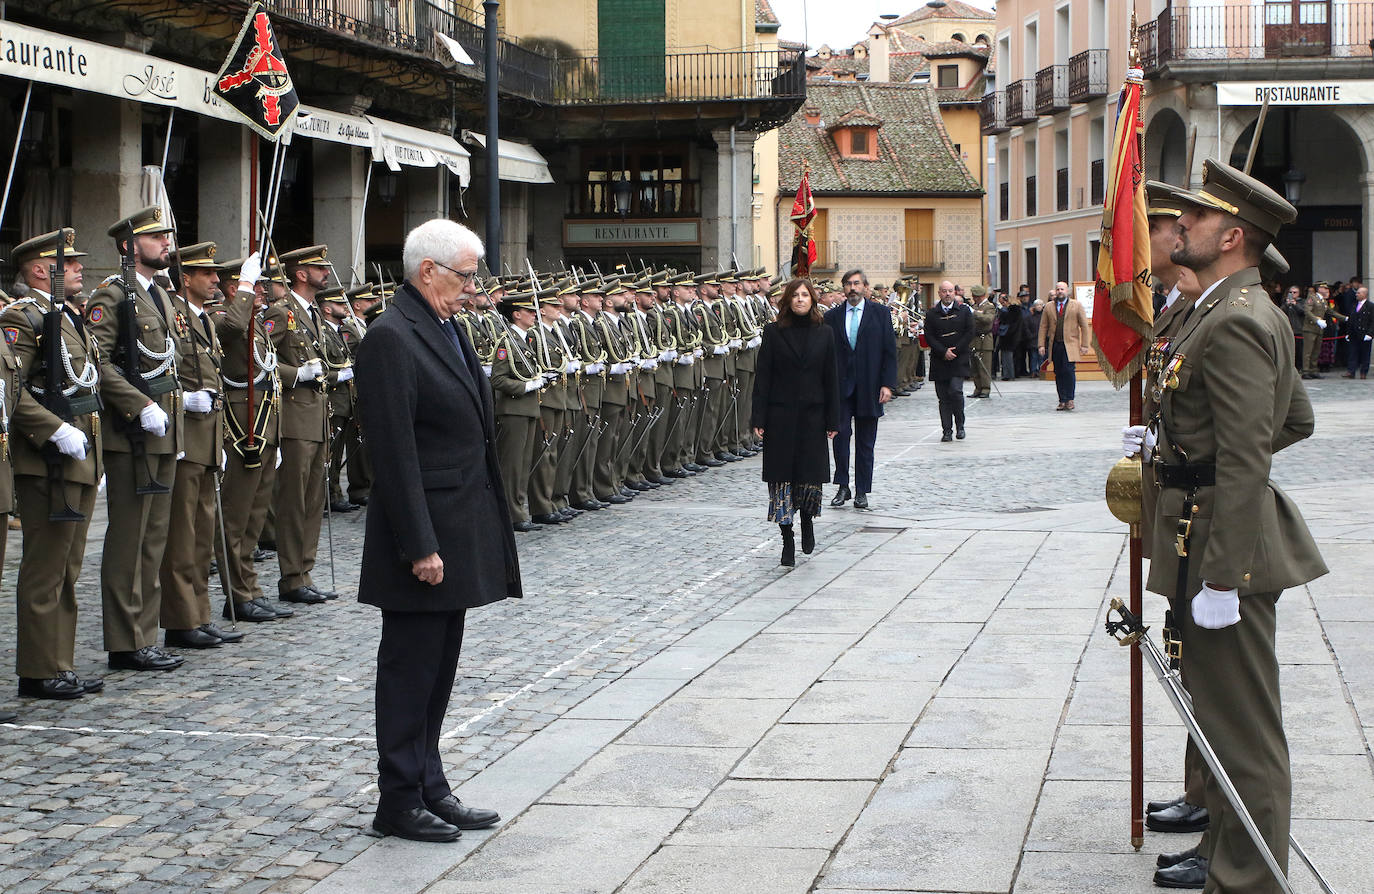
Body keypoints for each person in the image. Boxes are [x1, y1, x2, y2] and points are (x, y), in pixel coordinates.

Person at [1146, 159, 1327, 894]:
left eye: (1196, 216)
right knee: (1220, 719)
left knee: (1243, 730)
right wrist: (1185, 454)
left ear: (1233, 235)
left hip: (1227, 545)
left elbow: (1256, 446)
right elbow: (1280, 423)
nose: (1179, 224)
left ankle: (1248, 879)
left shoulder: (1240, 319)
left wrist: (1222, 572)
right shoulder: (1222, 309)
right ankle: (1229, 855)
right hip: (1205, 523)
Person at [354, 218, 516, 843]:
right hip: (421, 538)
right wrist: (419, 544)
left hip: (456, 526)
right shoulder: (393, 337)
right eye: (466, 276)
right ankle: (397, 797)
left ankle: (430, 783)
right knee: (409, 669)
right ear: (429, 272)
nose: (474, 288)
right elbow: (393, 455)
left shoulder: (444, 325)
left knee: (439, 667)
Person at [4, 229, 104, 699]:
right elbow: (12, 389)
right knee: (46, 567)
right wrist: (54, 430)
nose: (81, 269)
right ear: (42, 270)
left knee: (68, 567)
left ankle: (58, 662)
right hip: (47, 460)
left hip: (77, 458)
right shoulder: (23, 320)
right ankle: (38, 669)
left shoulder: (66, 318)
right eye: (71, 262)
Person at [87, 207, 186, 672]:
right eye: (155, 236)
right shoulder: (111, 296)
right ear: (128, 245)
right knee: (129, 538)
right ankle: (126, 641)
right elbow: (96, 364)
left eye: (166, 235)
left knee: (153, 538)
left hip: (162, 431)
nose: (166, 242)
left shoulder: (160, 296)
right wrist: (138, 406)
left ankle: (145, 634)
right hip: (132, 433)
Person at [159, 241, 241, 649]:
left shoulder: (204, 320)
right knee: (181, 534)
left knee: (201, 533)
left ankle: (200, 613)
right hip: (185, 436)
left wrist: (220, 437)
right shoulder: (172, 317)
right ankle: (180, 619)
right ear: (185, 278)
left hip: (207, 438)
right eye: (207, 274)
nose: (215, 281)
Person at [266, 245, 338, 605]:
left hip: (317, 415)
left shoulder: (312, 313)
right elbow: (258, 358)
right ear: (300, 274)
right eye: (318, 268)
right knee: (293, 501)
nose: (326, 273)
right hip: (294, 417)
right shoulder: (281, 313)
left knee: (313, 499)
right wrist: (295, 374)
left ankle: (304, 572)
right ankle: (291, 577)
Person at [752, 279, 839, 566]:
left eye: (805, 295)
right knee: (782, 481)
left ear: (813, 300)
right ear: (787, 300)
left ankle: (807, 520)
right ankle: (786, 537)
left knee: (809, 479)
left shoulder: (825, 333)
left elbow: (831, 379)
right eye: (796, 295)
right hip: (781, 417)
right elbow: (763, 376)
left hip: (813, 416)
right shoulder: (774, 332)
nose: (800, 300)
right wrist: (759, 416)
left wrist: (832, 418)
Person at [825, 269, 896, 511]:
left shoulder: (880, 314)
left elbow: (889, 351)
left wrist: (887, 384)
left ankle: (862, 490)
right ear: (843, 288)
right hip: (840, 388)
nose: (852, 288)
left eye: (856, 283)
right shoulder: (832, 317)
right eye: (848, 284)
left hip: (870, 387)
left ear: (865, 287)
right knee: (840, 438)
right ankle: (842, 485)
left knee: (866, 443)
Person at [924, 280, 974, 441]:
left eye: (950, 291)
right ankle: (947, 430)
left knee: (955, 391)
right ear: (939, 293)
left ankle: (960, 425)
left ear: (955, 293)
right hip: (940, 360)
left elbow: (970, 332)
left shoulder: (964, 311)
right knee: (943, 397)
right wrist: (943, 351)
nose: (947, 294)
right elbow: (929, 336)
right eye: (944, 291)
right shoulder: (932, 314)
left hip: (958, 359)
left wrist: (955, 350)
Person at [1037, 281, 1091, 410]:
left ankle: (1070, 399)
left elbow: (1084, 326)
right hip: (1055, 345)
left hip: (1070, 344)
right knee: (1058, 372)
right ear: (1055, 291)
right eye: (1058, 289)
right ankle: (1062, 399)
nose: (1060, 291)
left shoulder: (1076, 305)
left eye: (1062, 289)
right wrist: (1041, 345)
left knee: (1068, 371)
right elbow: (1043, 326)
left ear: (1067, 291)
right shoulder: (1049, 306)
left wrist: (1084, 344)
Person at [969, 284, 996, 398]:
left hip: (985, 340)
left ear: (981, 296)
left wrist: (974, 313)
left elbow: (988, 319)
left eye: (976, 296)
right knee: (974, 367)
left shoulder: (989, 307)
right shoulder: (975, 306)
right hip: (974, 339)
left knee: (984, 366)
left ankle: (985, 388)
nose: (974, 298)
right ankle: (978, 388)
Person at [1344, 286, 1373, 378]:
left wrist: (1370, 334)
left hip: (1365, 333)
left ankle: (1363, 372)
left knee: (1365, 354)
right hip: (1354, 333)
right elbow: (1351, 320)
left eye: (1359, 293)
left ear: (1364, 294)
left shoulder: (1371, 306)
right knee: (1352, 353)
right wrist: (1348, 333)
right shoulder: (1354, 305)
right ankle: (1351, 371)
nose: (1356, 294)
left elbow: (1373, 321)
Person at [997, 291, 1023, 381]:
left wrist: (1002, 311)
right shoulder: (1017, 310)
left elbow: (1007, 321)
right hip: (1012, 336)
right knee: (1007, 356)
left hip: (1009, 336)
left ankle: (1008, 374)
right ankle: (1008, 374)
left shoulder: (1012, 310)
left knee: (1007, 357)